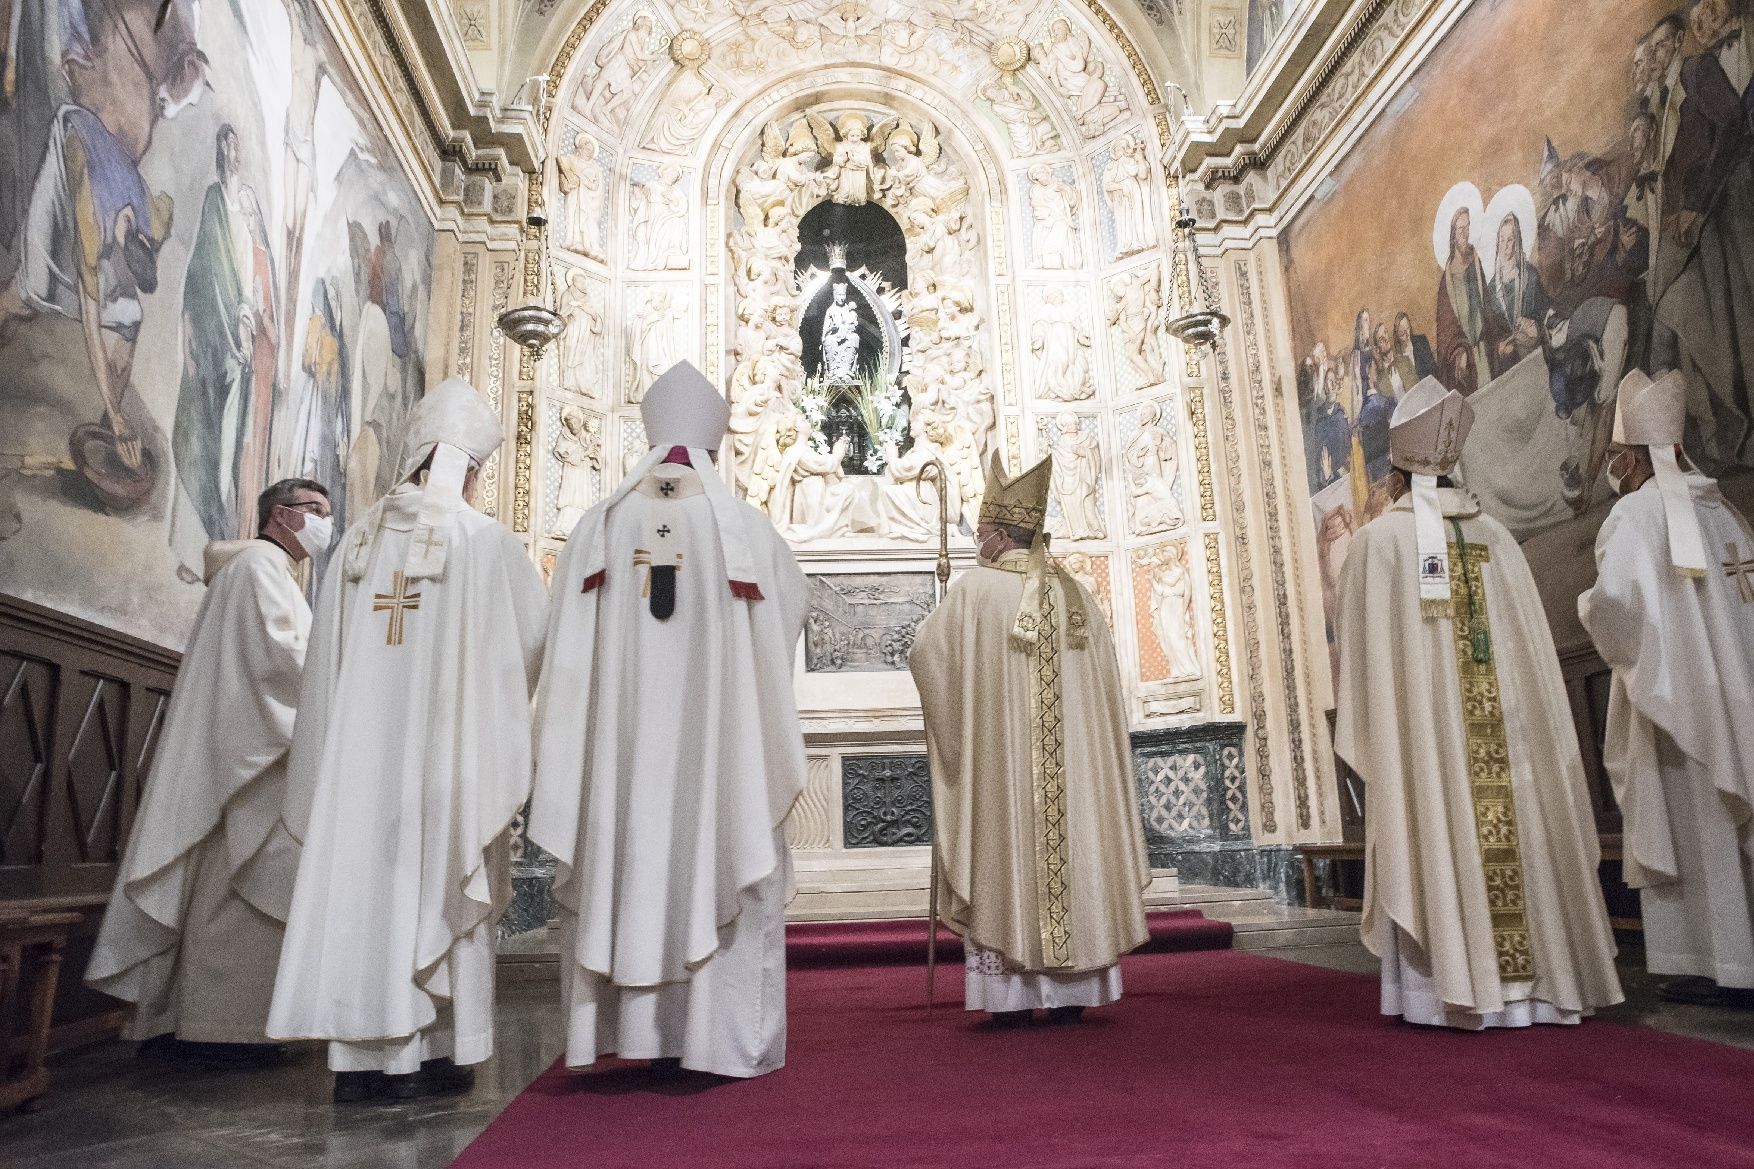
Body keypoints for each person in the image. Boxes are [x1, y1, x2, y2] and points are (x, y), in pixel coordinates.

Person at [267, 378, 546, 1103]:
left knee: (364, 889)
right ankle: (436, 1050)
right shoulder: (483, 540)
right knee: (431, 885)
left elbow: (324, 668)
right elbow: (530, 643)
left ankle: (360, 1060)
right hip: (442, 769)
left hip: (358, 769)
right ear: (470, 468)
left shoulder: (357, 542)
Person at [530, 360, 808, 1079]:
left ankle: (624, 1032)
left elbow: (563, 646)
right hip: (718, 761)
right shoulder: (745, 529)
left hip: (619, 757)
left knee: (626, 851)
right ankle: (714, 1038)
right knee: (720, 839)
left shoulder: (599, 526)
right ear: (713, 449)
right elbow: (783, 627)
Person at [1334, 376, 1623, 1030]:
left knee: (1436, 820)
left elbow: (1362, 673)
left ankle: (1442, 990)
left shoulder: (1377, 545)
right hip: (1513, 749)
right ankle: (1539, 988)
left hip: (1432, 754)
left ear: (1396, 474)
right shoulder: (1498, 538)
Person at [86, 479, 331, 1066]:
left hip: (252, 750)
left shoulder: (266, 571)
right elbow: (282, 660)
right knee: (239, 888)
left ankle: (215, 1023)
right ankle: (221, 1031)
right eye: (316, 512)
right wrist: (343, 684)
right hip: (252, 759)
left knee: (236, 889)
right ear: (282, 515)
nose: (326, 524)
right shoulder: (258, 570)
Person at [910, 452, 1150, 1027]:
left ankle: (1012, 1003)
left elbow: (925, 657)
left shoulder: (972, 593)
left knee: (1006, 850)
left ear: (994, 535)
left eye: (982, 532)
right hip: (1075, 782)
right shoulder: (1077, 597)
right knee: (1073, 844)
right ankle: (1072, 994)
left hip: (1004, 777)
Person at [1578, 369, 1754, 1008]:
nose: (1615, 469)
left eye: (1618, 458)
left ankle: (1717, 962)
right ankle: (1740, 956)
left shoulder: (1633, 513)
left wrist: (1585, 607)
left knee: (1694, 818)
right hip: (1735, 696)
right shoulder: (1724, 510)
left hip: (1675, 701)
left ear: (1635, 458)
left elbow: (1616, 605)